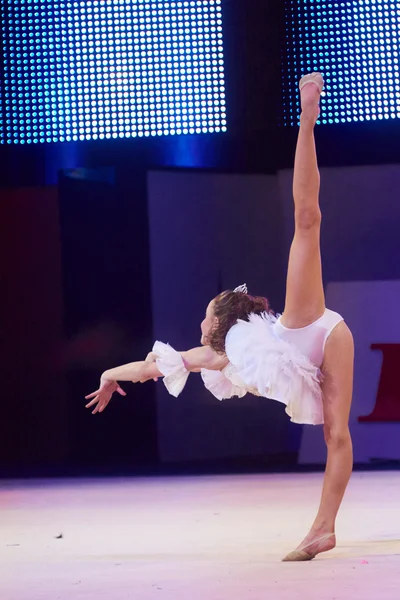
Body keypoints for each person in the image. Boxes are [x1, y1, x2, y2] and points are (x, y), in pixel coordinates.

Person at [85, 73, 354, 562]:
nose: (200, 320)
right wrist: (108, 372)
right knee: (334, 434)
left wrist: (307, 118)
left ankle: (307, 117)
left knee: (306, 220)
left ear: (223, 321)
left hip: (313, 330)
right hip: (302, 349)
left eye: (206, 313)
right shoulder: (215, 356)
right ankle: (323, 530)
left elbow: (306, 216)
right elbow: (151, 369)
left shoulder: (249, 339)